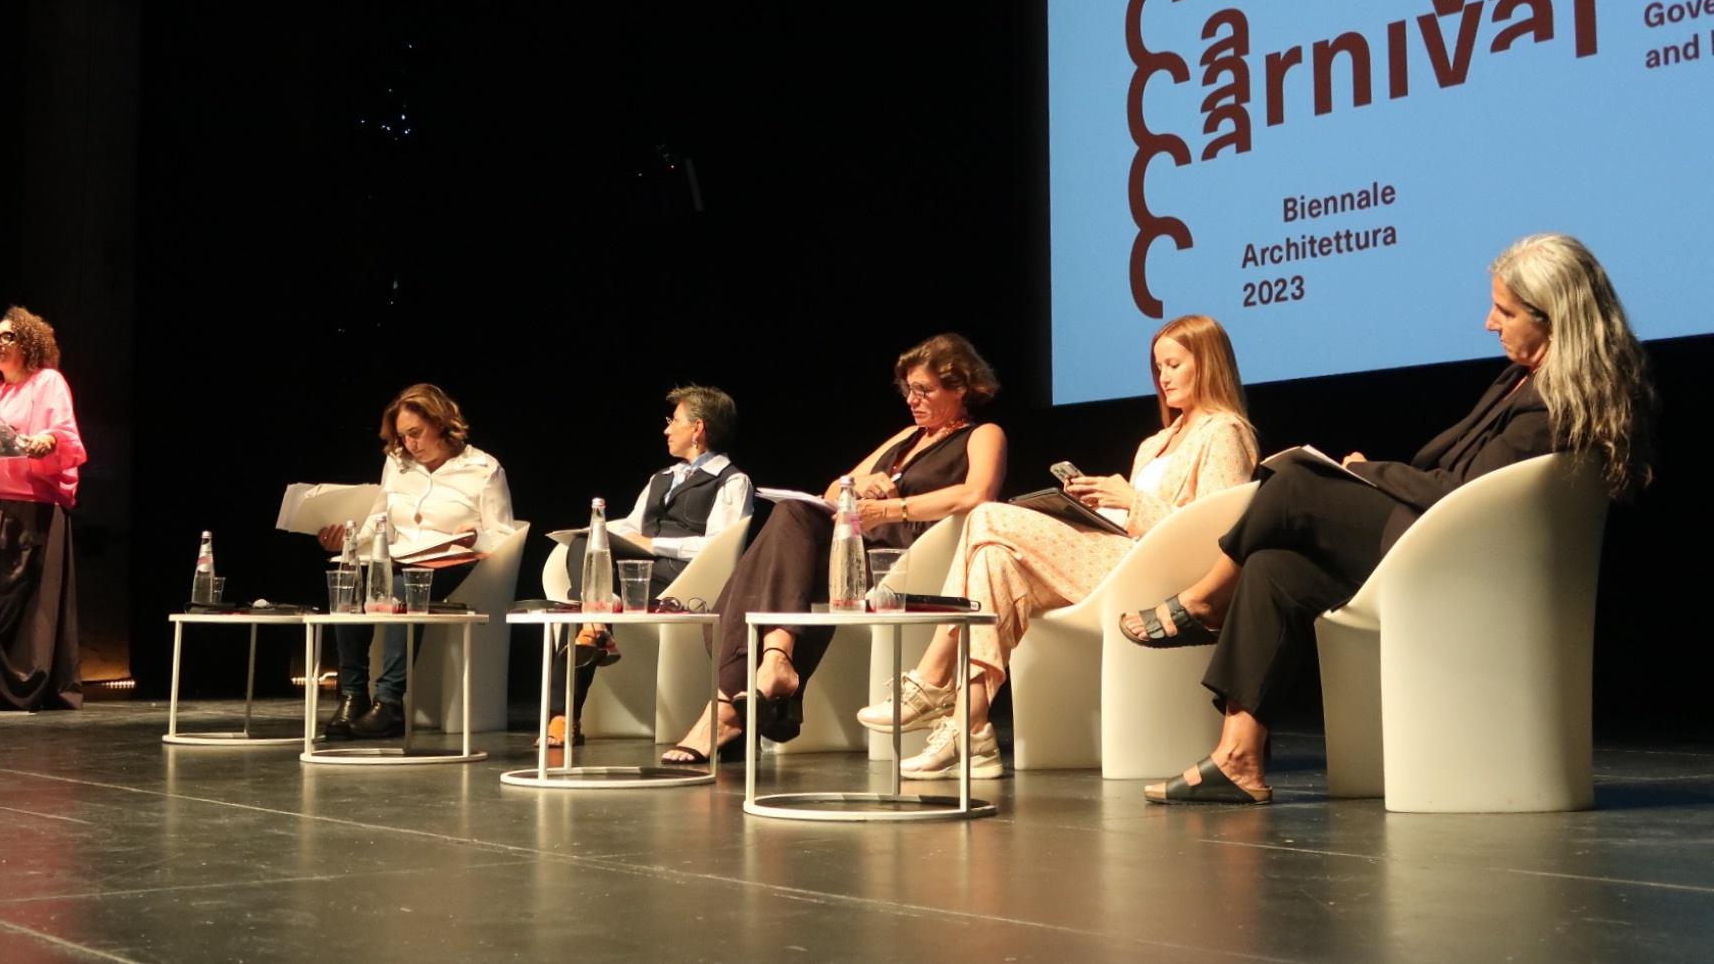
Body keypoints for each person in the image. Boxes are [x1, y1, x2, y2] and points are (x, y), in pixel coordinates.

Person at [1132, 233, 1654, 804]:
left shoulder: (1553, 403)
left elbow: (1464, 494)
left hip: (1457, 558)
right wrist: (1367, 475)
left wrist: (1370, 474)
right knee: (1273, 567)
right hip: (1433, 541)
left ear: (1553, 316)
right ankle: (1239, 756)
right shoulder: (1521, 380)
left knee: (1295, 483)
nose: (1489, 323)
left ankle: (1205, 600)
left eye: (1504, 311)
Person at [855, 314, 1258, 778]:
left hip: (1171, 579)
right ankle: (972, 726)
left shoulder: (1224, 431)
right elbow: (1137, 521)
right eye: (1158, 367)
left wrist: (1132, 501)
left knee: (986, 515)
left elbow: (1214, 540)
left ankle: (930, 679)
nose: (1163, 377)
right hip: (1126, 554)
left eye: (1174, 365)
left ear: (1207, 365)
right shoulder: (1156, 443)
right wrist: (1095, 510)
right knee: (994, 559)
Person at [662, 333, 1008, 765]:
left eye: (925, 390)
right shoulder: (906, 437)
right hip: (856, 548)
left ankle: (728, 707)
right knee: (791, 513)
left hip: (907, 556)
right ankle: (774, 661)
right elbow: (833, 489)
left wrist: (893, 509)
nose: (913, 401)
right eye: (908, 390)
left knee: (768, 566)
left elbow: (977, 495)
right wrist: (861, 486)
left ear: (961, 388)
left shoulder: (982, 434)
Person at [544, 385, 752, 747]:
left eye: (674, 421)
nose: (667, 429)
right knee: (586, 543)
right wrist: (597, 530)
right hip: (639, 575)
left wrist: (654, 544)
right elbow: (632, 526)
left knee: (587, 598)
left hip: (683, 579)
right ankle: (575, 684)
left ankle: (587, 643)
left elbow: (718, 547)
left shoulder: (732, 481)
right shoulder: (662, 477)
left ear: (698, 429)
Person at [317, 383, 514, 740]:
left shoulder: (483, 468)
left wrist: (475, 537)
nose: (410, 444)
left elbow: (503, 533)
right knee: (349, 577)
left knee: (398, 585)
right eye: (403, 436)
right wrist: (346, 539)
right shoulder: (397, 465)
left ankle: (390, 702)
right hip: (399, 557)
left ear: (440, 422)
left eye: (415, 433)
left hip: (455, 563)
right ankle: (353, 693)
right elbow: (378, 521)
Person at [0, 306, 89, 711]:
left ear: (30, 344)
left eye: (8, 337)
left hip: (30, 508)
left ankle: (20, 687)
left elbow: (63, 434)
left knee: (20, 600)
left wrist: (47, 441)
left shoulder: (46, 382)